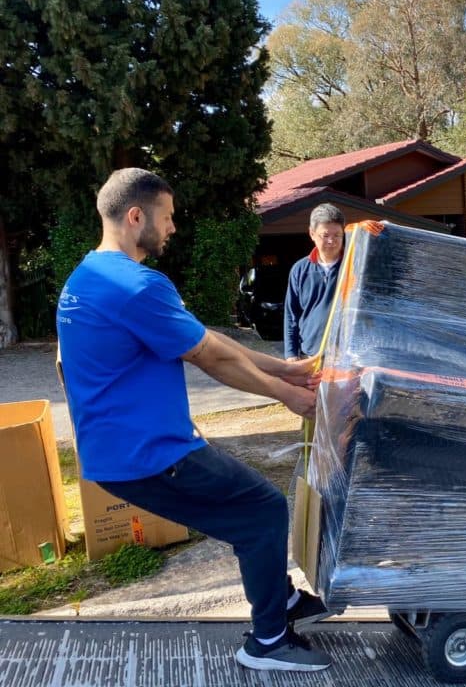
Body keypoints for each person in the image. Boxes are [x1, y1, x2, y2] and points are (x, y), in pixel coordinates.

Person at [56, 168, 333, 671]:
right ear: (135, 216)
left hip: (119, 454)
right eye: (168, 217)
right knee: (263, 509)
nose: (173, 228)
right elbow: (210, 357)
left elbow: (200, 338)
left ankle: (281, 599)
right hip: (149, 454)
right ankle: (268, 641)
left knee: (242, 515)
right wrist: (287, 396)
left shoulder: (88, 277)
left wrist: (284, 367)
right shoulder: (137, 285)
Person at [284, 204, 346, 361]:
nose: (331, 241)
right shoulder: (300, 269)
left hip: (347, 358)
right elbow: (291, 315)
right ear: (312, 233)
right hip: (310, 356)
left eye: (337, 235)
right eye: (325, 235)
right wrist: (291, 354)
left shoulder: (354, 265)